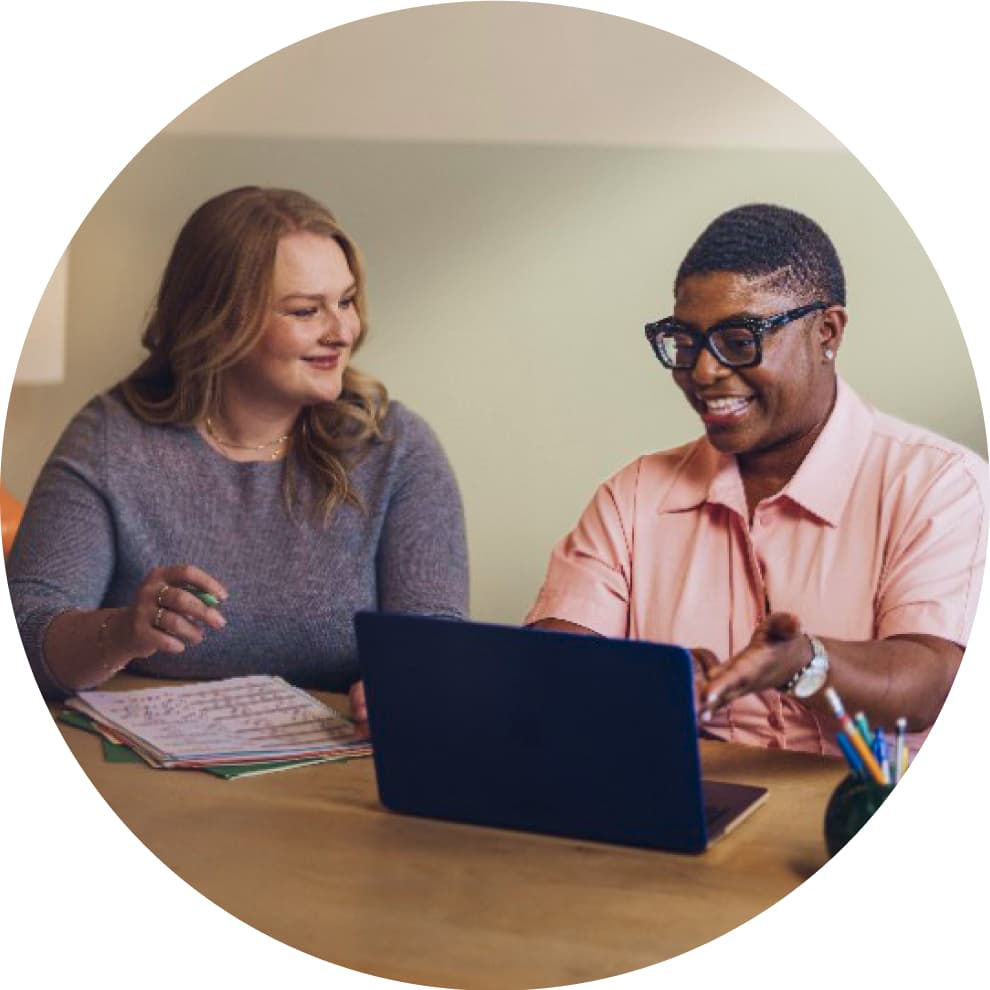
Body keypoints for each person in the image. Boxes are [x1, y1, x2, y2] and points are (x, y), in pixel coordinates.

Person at [526, 203, 987, 756]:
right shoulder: (633, 497)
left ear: (827, 332)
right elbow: (549, 663)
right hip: (684, 815)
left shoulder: (940, 484)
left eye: (740, 340)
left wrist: (803, 664)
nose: (703, 371)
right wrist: (641, 676)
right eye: (686, 342)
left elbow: (932, 679)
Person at [8, 186, 468, 725]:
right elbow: (24, 632)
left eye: (345, 301)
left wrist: (413, 682)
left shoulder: (395, 449)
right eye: (305, 311)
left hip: (328, 782)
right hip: (132, 776)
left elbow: (436, 644)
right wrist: (122, 631)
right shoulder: (112, 439)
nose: (344, 331)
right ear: (220, 322)